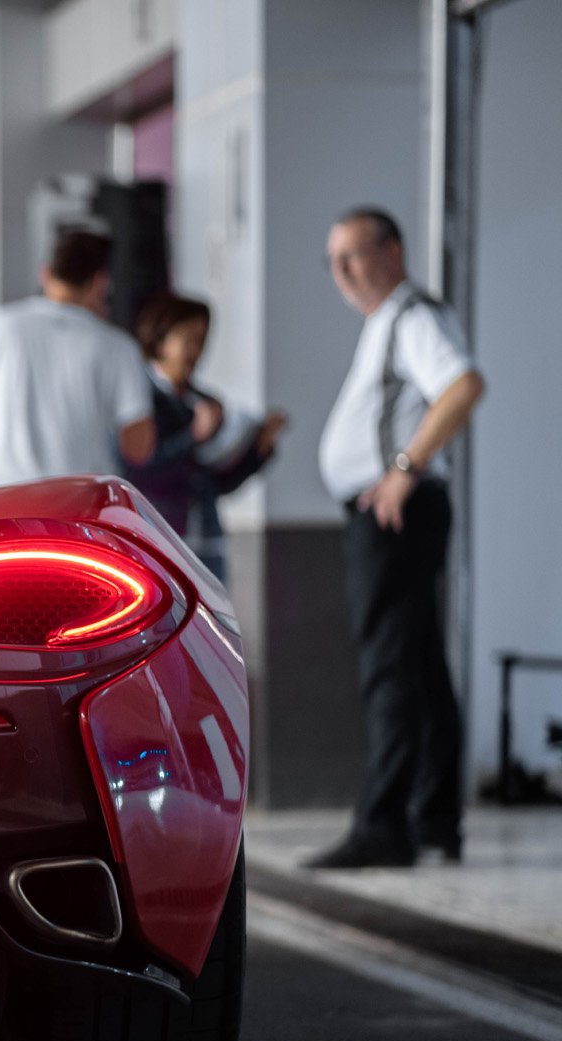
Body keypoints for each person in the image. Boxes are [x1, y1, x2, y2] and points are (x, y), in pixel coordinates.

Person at [305, 206, 486, 870]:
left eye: (353, 254)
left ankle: (385, 823)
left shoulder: (413, 317)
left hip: (392, 515)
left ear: (394, 250)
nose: (343, 271)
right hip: (395, 513)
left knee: (392, 664)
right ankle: (435, 816)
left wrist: (402, 472)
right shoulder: (391, 321)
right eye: (333, 260)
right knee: (419, 663)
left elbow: (463, 386)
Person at [0, 229, 156, 487]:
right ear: (101, 282)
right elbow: (139, 448)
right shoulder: (118, 347)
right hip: (73, 506)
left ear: (45, 273)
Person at [127, 292, 287, 580]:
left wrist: (258, 451)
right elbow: (140, 468)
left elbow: (213, 482)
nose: (196, 352)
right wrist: (193, 435)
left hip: (205, 538)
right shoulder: (136, 398)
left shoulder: (204, 401)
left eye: (201, 341)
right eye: (188, 339)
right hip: (157, 538)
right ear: (161, 339)